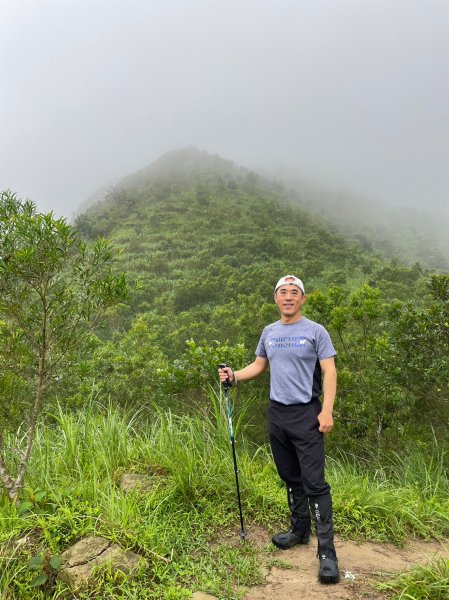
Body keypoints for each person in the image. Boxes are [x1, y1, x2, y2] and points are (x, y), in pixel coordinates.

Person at [218, 275, 340, 584]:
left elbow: (329, 370)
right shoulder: (269, 332)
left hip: (307, 413)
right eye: (282, 292)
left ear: (303, 299)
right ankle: (299, 530)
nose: (288, 297)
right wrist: (234, 375)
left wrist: (326, 410)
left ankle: (327, 554)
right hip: (278, 414)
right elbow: (259, 365)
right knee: (290, 475)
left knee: (315, 483)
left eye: (294, 293)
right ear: (276, 299)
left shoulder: (316, 331)